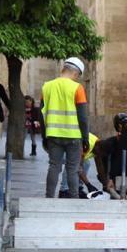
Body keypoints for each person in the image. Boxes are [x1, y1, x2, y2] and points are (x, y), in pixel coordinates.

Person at [40, 57, 90, 198]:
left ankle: (49, 197)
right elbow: (83, 117)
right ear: (76, 73)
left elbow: (41, 114)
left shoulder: (47, 87)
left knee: (54, 166)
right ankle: (74, 198)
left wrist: (44, 136)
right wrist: (85, 138)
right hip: (74, 137)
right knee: (72, 169)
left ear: (63, 69)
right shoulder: (77, 88)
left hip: (53, 135)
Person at [59, 132, 103, 197]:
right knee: (72, 163)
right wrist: (89, 185)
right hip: (59, 150)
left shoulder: (98, 146)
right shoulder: (87, 145)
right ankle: (64, 190)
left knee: (86, 163)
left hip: (72, 148)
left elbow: (99, 166)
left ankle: (78, 188)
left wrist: (105, 183)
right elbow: (78, 167)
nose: (99, 155)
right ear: (97, 148)